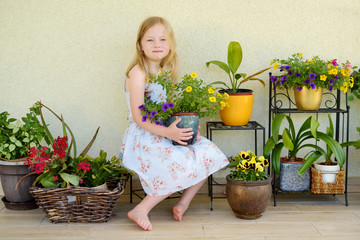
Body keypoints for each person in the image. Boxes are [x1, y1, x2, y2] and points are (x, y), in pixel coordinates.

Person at [119, 16, 229, 231]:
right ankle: (141, 209)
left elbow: (167, 110)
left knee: (208, 153)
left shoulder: (164, 73)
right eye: (150, 40)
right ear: (140, 45)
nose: (157, 45)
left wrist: (184, 125)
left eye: (162, 39)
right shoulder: (137, 73)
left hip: (165, 131)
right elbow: (139, 117)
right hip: (143, 137)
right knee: (175, 164)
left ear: (170, 45)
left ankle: (183, 203)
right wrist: (169, 134)